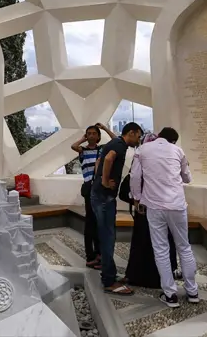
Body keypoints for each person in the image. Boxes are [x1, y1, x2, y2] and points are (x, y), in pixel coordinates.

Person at [130, 127, 198, 307]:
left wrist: (137, 199)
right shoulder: (178, 151)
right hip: (177, 204)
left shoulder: (142, 150)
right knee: (184, 246)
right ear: (173, 141)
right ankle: (192, 292)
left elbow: (135, 176)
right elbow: (187, 178)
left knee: (161, 249)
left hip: (154, 205)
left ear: (158, 136)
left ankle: (170, 295)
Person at [91, 121, 143, 295]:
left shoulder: (116, 143)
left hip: (98, 194)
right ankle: (109, 281)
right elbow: (107, 158)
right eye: (138, 136)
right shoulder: (118, 146)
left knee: (105, 235)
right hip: (105, 197)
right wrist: (105, 181)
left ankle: (107, 274)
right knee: (108, 238)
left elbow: (100, 159)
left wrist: (98, 179)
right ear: (133, 132)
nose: (139, 140)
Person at [123, 131, 179, 291]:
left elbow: (134, 178)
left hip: (146, 208)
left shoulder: (143, 155)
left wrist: (136, 199)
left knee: (144, 244)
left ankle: (138, 276)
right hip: (165, 207)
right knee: (162, 244)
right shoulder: (170, 158)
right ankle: (161, 278)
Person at [71, 123, 113, 269]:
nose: (91, 136)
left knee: (99, 221)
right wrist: (83, 138)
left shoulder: (102, 150)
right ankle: (91, 256)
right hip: (89, 188)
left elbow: (116, 142)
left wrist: (105, 128)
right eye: (89, 133)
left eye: (94, 133)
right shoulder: (82, 151)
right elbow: (73, 145)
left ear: (99, 136)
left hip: (99, 188)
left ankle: (99, 254)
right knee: (91, 222)